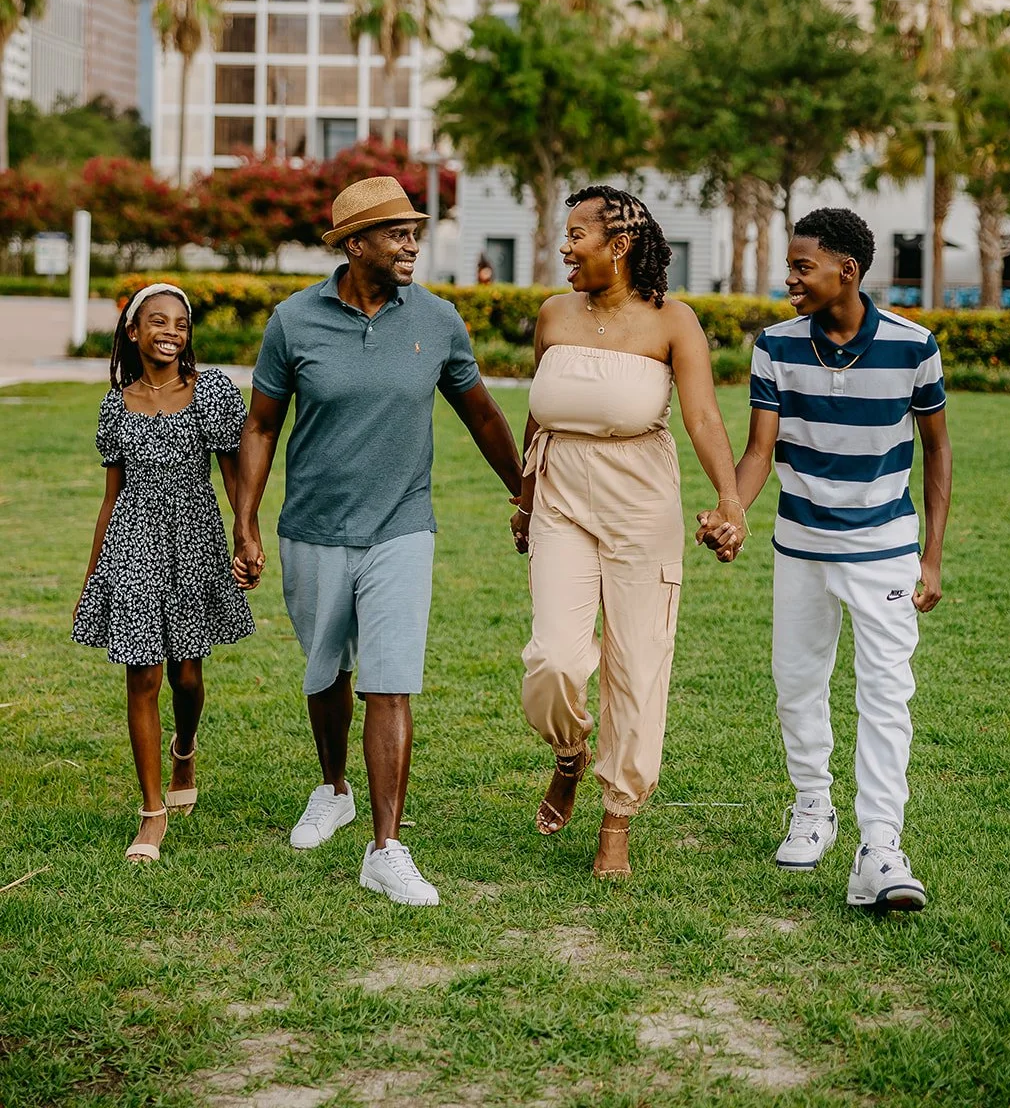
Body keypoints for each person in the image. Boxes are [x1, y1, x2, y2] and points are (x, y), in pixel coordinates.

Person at [232, 175, 523, 906]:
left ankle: (386, 847)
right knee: (327, 672)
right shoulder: (294, 322)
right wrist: (244, 519)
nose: (411, 245)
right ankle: (332, 788)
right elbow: (261, 424)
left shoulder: (437, 319)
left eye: (414, 232)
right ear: (353, 244)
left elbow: (481, 413)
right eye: (396, 233)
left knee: (389, 680)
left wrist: (523, 487)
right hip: (314, 528)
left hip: (402, 525)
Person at [701, 208, 952, 912]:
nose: (789, 280)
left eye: (800, 266)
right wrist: (732, 513)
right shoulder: (775, 346)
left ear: (846, 270)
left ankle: (880, 845)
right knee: (796, 684)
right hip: (800, 550)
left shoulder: (912, 346)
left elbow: (936, 452)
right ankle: (812, 807)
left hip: (885, 553)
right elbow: (760, 451)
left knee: (885, 694)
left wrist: (930, 556)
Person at [511, 186, 745, 881]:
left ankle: (616, 816)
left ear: (618, 246)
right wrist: (524, 498)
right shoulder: (553, 314)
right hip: (560, 494)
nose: (564, 247)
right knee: (552, 656)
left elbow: (702, 419)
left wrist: (729, 501)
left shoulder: (672, 322)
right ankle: (568, 754)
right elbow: (539, 410)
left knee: (637, 665)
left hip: (640, 500)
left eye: (576, 234)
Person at [72, 283, 255, 863]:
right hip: (133, 542)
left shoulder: (212, 393)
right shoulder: (115, 405)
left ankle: (186, 747)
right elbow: (111, 497)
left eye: (180, 322)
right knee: (143, 676)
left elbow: (234, 477)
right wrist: (94, 568)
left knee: (187, 676)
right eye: (157, 321)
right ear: (133, 332)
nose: (171, 331)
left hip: (193, 541)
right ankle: (152, 813)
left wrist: (245, 534)